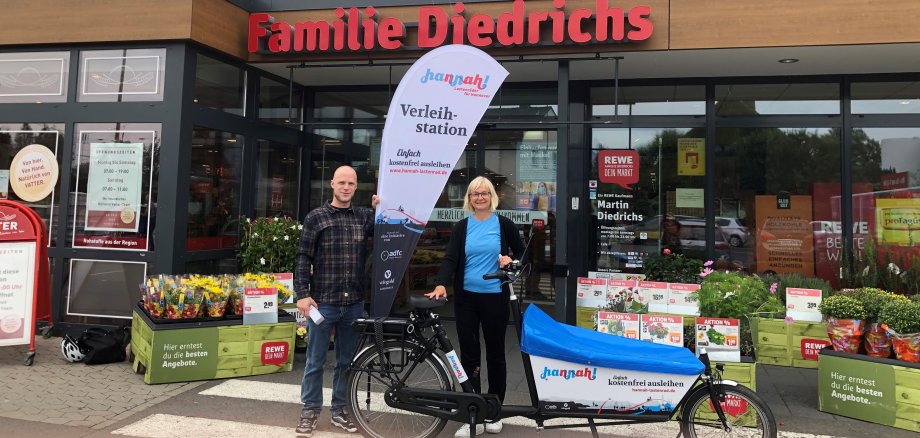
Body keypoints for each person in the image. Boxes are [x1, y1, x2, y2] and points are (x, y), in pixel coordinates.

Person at [425, 176, 525, 437]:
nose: (479, 197)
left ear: (492, 196)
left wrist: (510, 259)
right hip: (466, 299)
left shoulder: (504, 225)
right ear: (469, 198)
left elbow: (523, 254)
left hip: (495, 297)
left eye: (484, 193)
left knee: (495, 354)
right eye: (474, 194)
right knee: (469, 355)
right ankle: (473, 411)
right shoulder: (461, 227)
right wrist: (440, 284)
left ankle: (494, 411)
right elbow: (450, 258)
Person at [294, 165, 378, 437]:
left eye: (351, 183)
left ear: (356, 186)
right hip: (323, 302)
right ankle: (310, 410)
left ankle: (340, 410)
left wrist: (381, 207)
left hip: (353, 302)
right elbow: (303, 257)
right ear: (332, 184)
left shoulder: (365, 217)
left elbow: (391, 229)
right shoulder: (316, 217)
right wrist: (303, 294)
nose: (345, 187)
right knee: (315, 360)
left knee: (346, 362)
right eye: (341, 182)